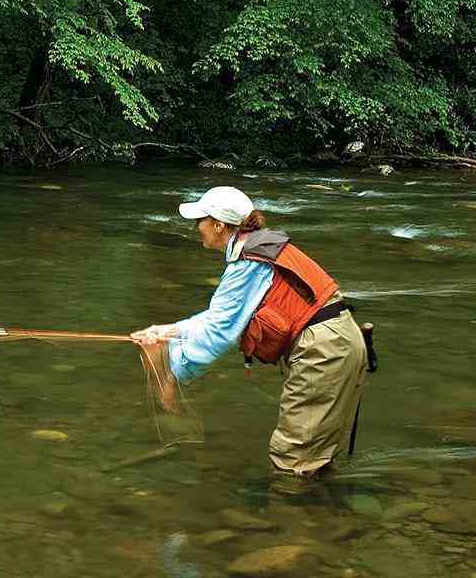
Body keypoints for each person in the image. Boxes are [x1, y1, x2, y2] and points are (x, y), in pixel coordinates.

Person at [131, 186, 368, 479]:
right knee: (316, 455)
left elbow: (220, 332)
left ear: (218, 225)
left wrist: (171, 373)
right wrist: (169, 331)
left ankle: (293, 518)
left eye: (200, 221)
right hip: (339, 341)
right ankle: (323, 514)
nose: (196, 228)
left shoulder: (249, 262)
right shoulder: (256, 249)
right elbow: (224, 317)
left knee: (292, 459)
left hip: (324, 351)